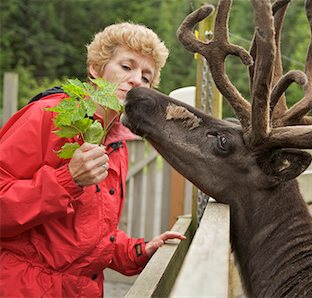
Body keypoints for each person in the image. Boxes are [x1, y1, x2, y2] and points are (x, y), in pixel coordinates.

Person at [0, 22, 186, 297]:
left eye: (146, 77)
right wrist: (67, 180)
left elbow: (88, 236)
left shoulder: (116, 143)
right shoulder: (47, 115)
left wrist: (137, 250)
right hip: (24, 287)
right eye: (127, 67)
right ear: (96, 69)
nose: (136, 80)